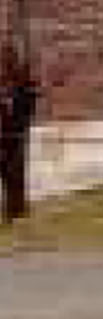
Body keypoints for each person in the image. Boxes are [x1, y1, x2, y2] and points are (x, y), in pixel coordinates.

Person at [0, 43, 39, 223]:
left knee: (15, 175)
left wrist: (22, 127)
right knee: (10, 173)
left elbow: (29, 105)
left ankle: (16, 213)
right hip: (4, 134)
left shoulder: (21, 84)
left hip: (14, 135)